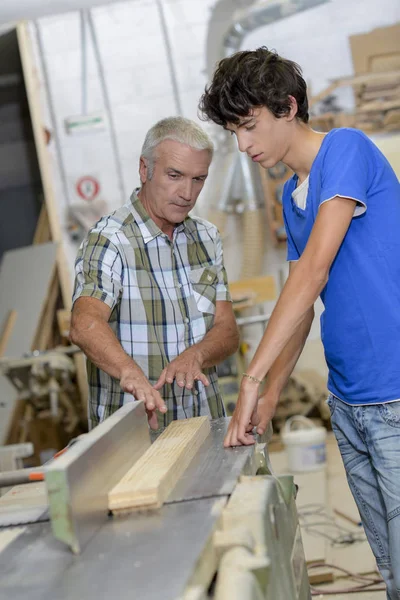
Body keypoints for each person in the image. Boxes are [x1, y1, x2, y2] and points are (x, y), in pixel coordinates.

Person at [199, 47, 400, 598]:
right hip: (351, 401)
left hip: (395, 393)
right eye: (234, 132)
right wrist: (265, 405)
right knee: (388, 566)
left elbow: (311, 273)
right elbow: (301, 308)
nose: (243, 145)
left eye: (249, 126)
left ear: (287, 107)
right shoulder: (292, 195)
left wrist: (251, 378)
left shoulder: (347, 150)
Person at [70, 116, 239, 432]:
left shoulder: (207, 237)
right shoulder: (110, 239)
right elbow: (85, 324)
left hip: (204, 423)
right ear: (145, 169)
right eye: (174, 175)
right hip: (135, 436)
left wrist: (197, 354)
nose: (187, 193)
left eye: (198, 179)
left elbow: (227, 329)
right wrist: (130, 373)